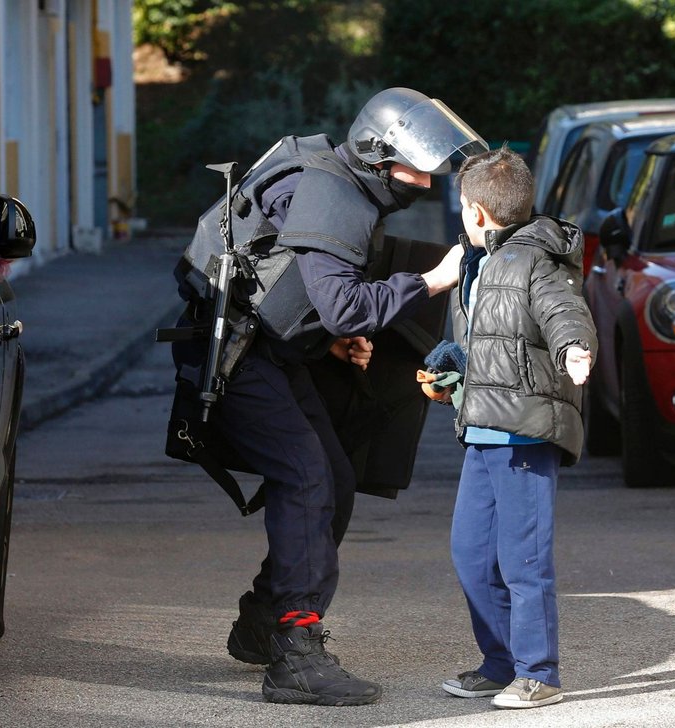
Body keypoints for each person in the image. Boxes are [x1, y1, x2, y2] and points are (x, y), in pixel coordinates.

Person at [170, 88, 487, 706]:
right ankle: (296, 652)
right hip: (241, 356)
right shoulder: (335, 194)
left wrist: (332, 343)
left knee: (333, 479)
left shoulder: (329, 173)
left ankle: (264, 622)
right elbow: (342, 305)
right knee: (309, 479)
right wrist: (433, 279)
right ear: (376, 155)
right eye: (414, 168)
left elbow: (292, 280)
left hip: (266, 345)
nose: (424, 181)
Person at [426, 145, 596, 709]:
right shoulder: (478, 262)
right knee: (471, 553)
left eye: (461, 210)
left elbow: (562, 309)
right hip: (482, 428)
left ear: (476, 213)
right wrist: (450, 360)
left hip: (523, 430)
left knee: (523, 559)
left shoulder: (534, 259)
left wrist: (575, 347)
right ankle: (500, 664)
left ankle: (538, 673)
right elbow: (490, 336)